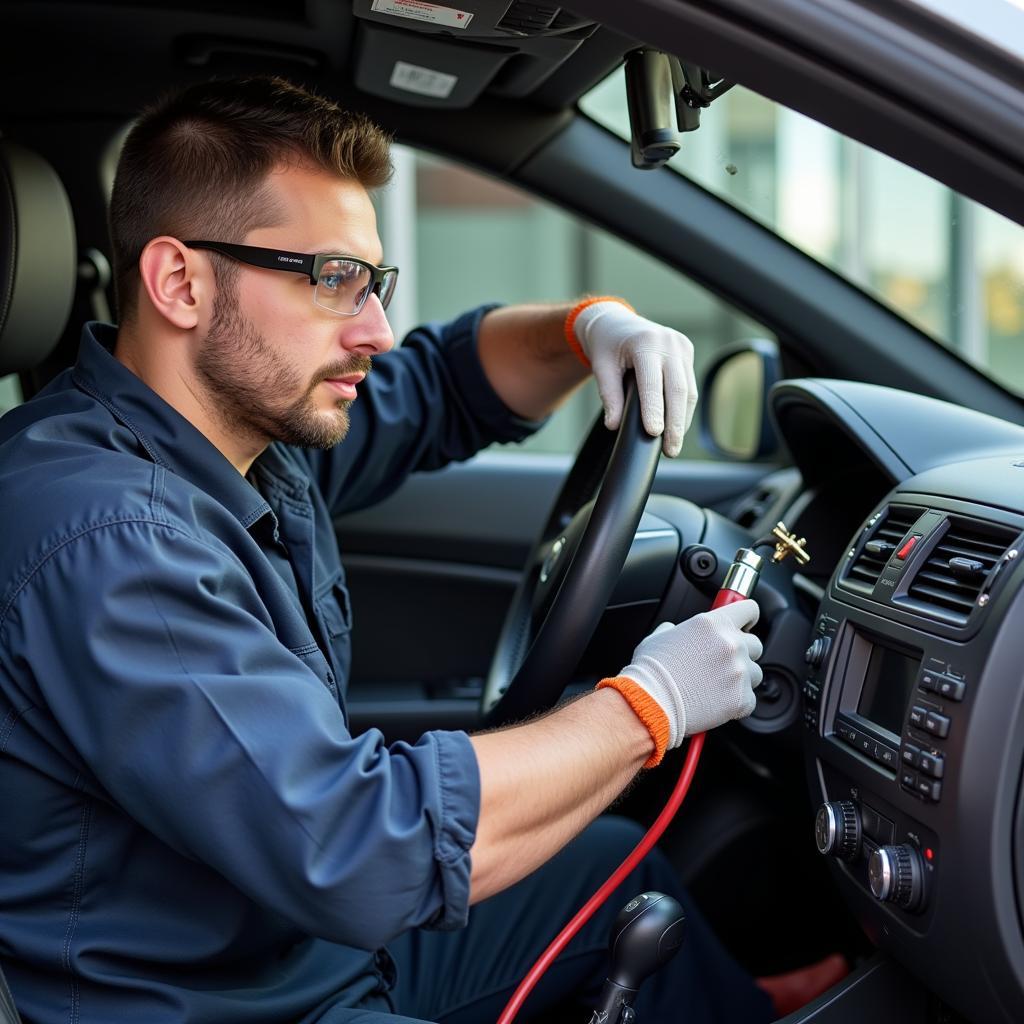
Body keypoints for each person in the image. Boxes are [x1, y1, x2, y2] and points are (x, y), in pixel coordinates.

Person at [0, 76, 774, 1023]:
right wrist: (650, 705)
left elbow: (448, 383)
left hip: (291, 946)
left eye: (376, 281)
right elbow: (361, 851)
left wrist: (589, 329)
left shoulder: (243, 440)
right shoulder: (108, 538)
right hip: (222, 1001)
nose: (372, 328)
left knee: (606, 868)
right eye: (333, 279)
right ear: (181, 283)